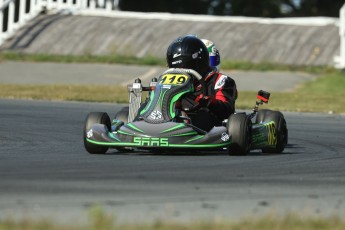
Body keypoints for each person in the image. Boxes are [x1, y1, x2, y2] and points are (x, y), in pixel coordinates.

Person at [166, 35, 238, 131]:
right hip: (174, 118)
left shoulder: (220, 80)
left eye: (184, 66)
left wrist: (209, 102)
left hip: (208, 124)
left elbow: (226, 109)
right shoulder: (171, 79)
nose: (181, 69)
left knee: (202, 115)